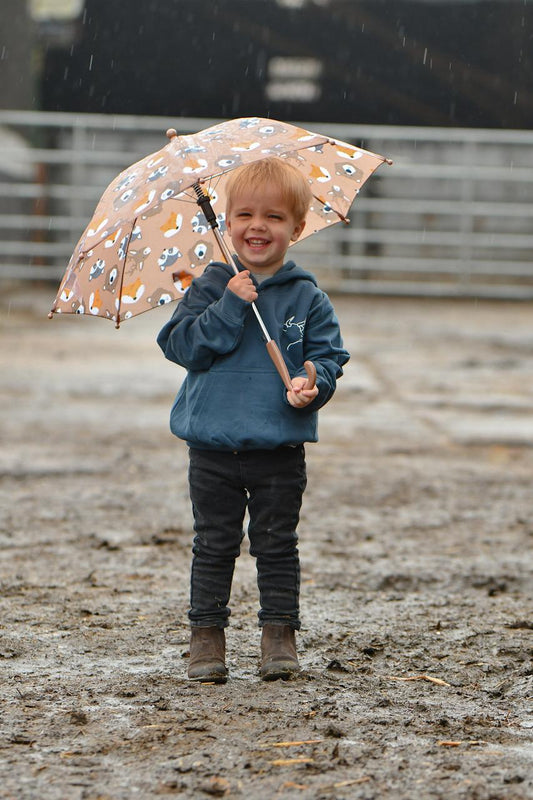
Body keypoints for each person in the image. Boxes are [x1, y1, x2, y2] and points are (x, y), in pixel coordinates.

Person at [157, 157, 350, 683]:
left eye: (274, 217)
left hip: (278, 447)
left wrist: (312, 384)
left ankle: (279, 635)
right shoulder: (209, 287)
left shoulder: (307, 297)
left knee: (276, 543)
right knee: (213, 544)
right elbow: (181, 347)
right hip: (212, 447)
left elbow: (329, 357)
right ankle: (206, 637)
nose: (257, 226)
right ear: (225, 222)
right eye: (244, 214)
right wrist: (230, 304)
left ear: (297, 227)